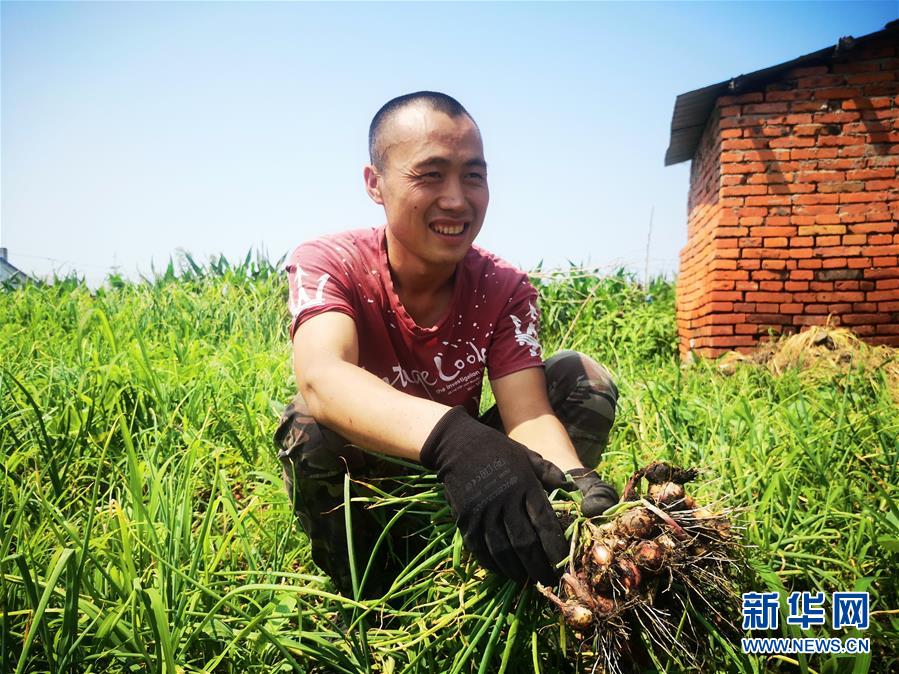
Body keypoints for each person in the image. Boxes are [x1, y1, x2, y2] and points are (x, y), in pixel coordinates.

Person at [274, 91, 619, 597]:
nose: (457, 199)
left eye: (473, 176)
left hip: (477, 472)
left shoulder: (503, 286)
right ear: (375, 183)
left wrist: (575, 483)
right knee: (308, 423)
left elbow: (527, 415)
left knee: (581, 379)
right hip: (380, 477)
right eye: (430, 175)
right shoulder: (332, 261)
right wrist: (453, 438)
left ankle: (527, 555)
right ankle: (368, 597)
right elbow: (322, 377)